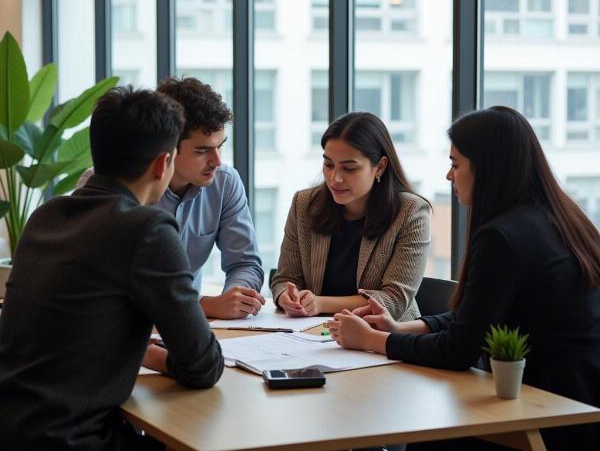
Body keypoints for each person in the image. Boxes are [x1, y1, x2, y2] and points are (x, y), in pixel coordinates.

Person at [329, 106, 600, 451]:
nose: (448, 175)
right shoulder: (563, 218)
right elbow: (477, 316)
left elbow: (459, 350)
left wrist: (371, 341)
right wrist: (401, 329)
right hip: (578, 402)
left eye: (456, 164)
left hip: (545, 416)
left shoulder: (502, 237)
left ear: (487, 167)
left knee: (424, 434)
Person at [0, 87, 224, 451]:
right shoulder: (146, 229)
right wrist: (158, 358)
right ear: (161, 163)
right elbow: (204, 367)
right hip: (71, 439)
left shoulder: (48, 215)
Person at [79, 77, 265, 319]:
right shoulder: (107, 183)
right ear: (167, 148)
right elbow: (102, 287)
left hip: (185, 327)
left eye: (220, 146)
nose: (217, 161)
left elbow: (245, 263)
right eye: (202, 150)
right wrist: (204, 305)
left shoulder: (225, 182)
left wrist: (235, 299)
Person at [271, 111, 430, 319]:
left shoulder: (410, 213)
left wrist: (319, 303)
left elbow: (394, 299)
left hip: (383, 337)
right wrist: (287, 297)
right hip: (312, 334)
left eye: (349, 168)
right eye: (328, 165)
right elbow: (284, 278)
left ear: (380, 167)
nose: (334, 178)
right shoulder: (304, 205)